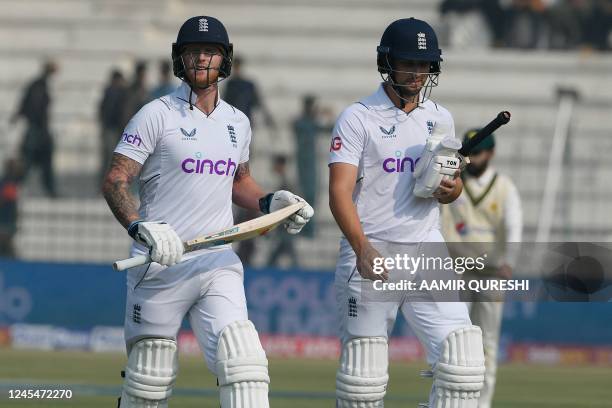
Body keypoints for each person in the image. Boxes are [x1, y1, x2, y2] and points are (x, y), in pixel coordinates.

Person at [102, 16, 314, 408]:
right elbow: (116, 180)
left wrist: (270, 203)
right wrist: (140, 227)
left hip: (217, 263)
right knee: (149, 383)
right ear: (180, 59)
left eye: (210, 52)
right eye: (193, 52)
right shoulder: (156, 114)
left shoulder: (238, 122)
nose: (201, 59)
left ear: (225, 60)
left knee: (245, 366)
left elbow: (237, 182)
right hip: (160, 264)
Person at [328, 18, 485, 407]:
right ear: (387, 62)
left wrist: (453, 188)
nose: (417, 73)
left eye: (424, 64)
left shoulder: (440, 118)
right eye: (408, 63)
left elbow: (449, 187)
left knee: (463, 364)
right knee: (363, 383)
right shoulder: (358, 117)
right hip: (372, 250)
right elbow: (339, 193)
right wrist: (361, 247)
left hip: (426, 247)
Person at [441, 129, 523, 408]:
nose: (472, 158)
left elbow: (514, 227)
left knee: (487, 341)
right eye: (468, 152)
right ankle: (450, 398)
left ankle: (482, 403)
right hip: (457, 269)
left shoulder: (503, 186)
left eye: (477, 153)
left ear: (490, 153)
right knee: (454, 338)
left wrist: (509, 260)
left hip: (491, 273)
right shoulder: (452, 182)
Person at [11, 60, 58, 197]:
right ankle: (17, 185)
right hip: (37, 129)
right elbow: (33, 106)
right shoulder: (39, 85)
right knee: (30, 159)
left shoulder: (39, 84)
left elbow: (25, 103)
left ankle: (48, 189)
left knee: (40, 159)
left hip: (38, 128)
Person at [293, 94, 333, 237]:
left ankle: (310, 228)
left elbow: (331, 128)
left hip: (311, 162)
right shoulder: (301, 122)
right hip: (304, 162)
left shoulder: (309, 122)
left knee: (313, 195)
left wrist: (327, 116)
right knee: (305, 194)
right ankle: (305, 228)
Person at [266, 155, 299, 268]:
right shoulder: (283, 181)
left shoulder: (286, 184)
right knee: (283, 251)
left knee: (284, 250)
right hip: (284, 226)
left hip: (285, 225)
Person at [98, 69, 128, 182]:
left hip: (117, 129)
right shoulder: (110, 92)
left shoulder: (121, 92)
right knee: (109, 157)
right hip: (111, 128)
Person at [0, 159, 23, 257]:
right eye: (16, 167)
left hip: (8, 221)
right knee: (6, 244)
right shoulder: (7, 182)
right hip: (5, 222)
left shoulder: (10, 182)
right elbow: (3, 200)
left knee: (6, 246)